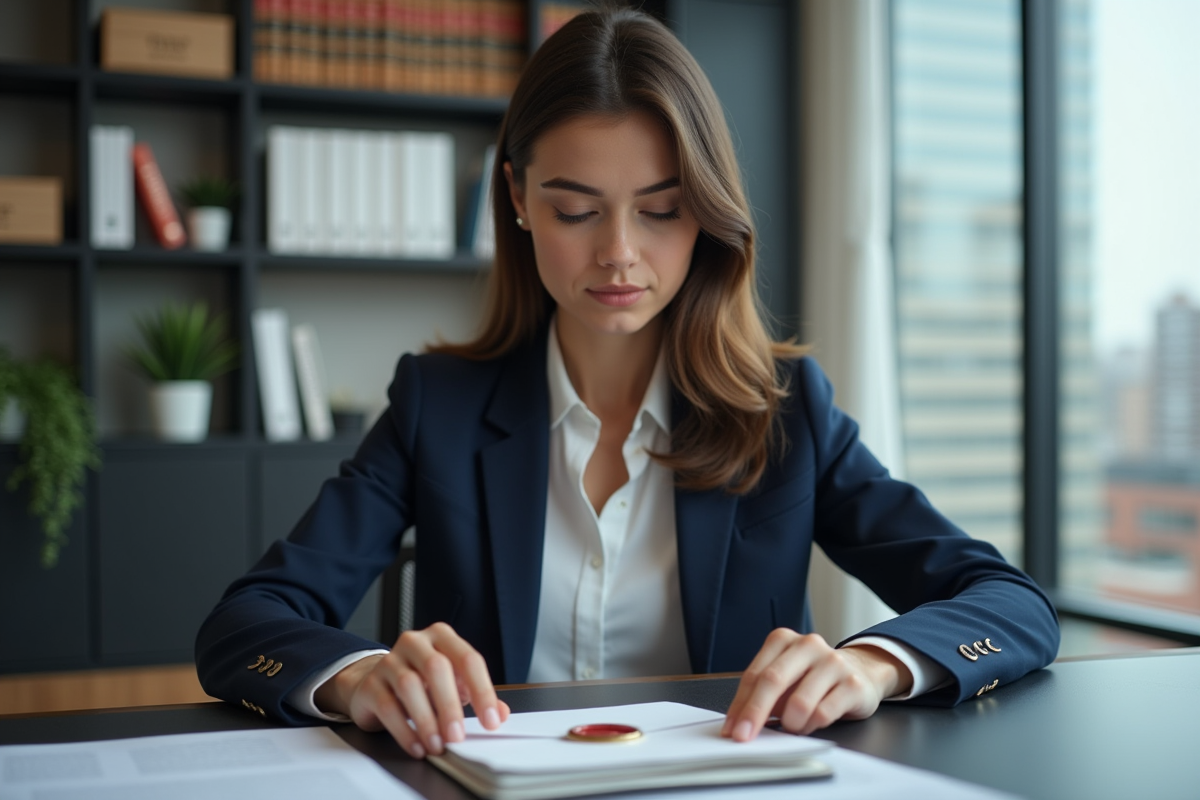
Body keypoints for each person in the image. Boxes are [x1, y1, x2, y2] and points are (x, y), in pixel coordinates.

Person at [196, 6, 1059, 762]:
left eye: (661, 208)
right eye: (575, 209)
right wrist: (360, 675)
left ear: (709, 212)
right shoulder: (438, 405)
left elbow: (1011, 605)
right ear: (520, 199)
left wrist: (872, 665)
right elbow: (243, 628)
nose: (618, 251)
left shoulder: (788, 412)